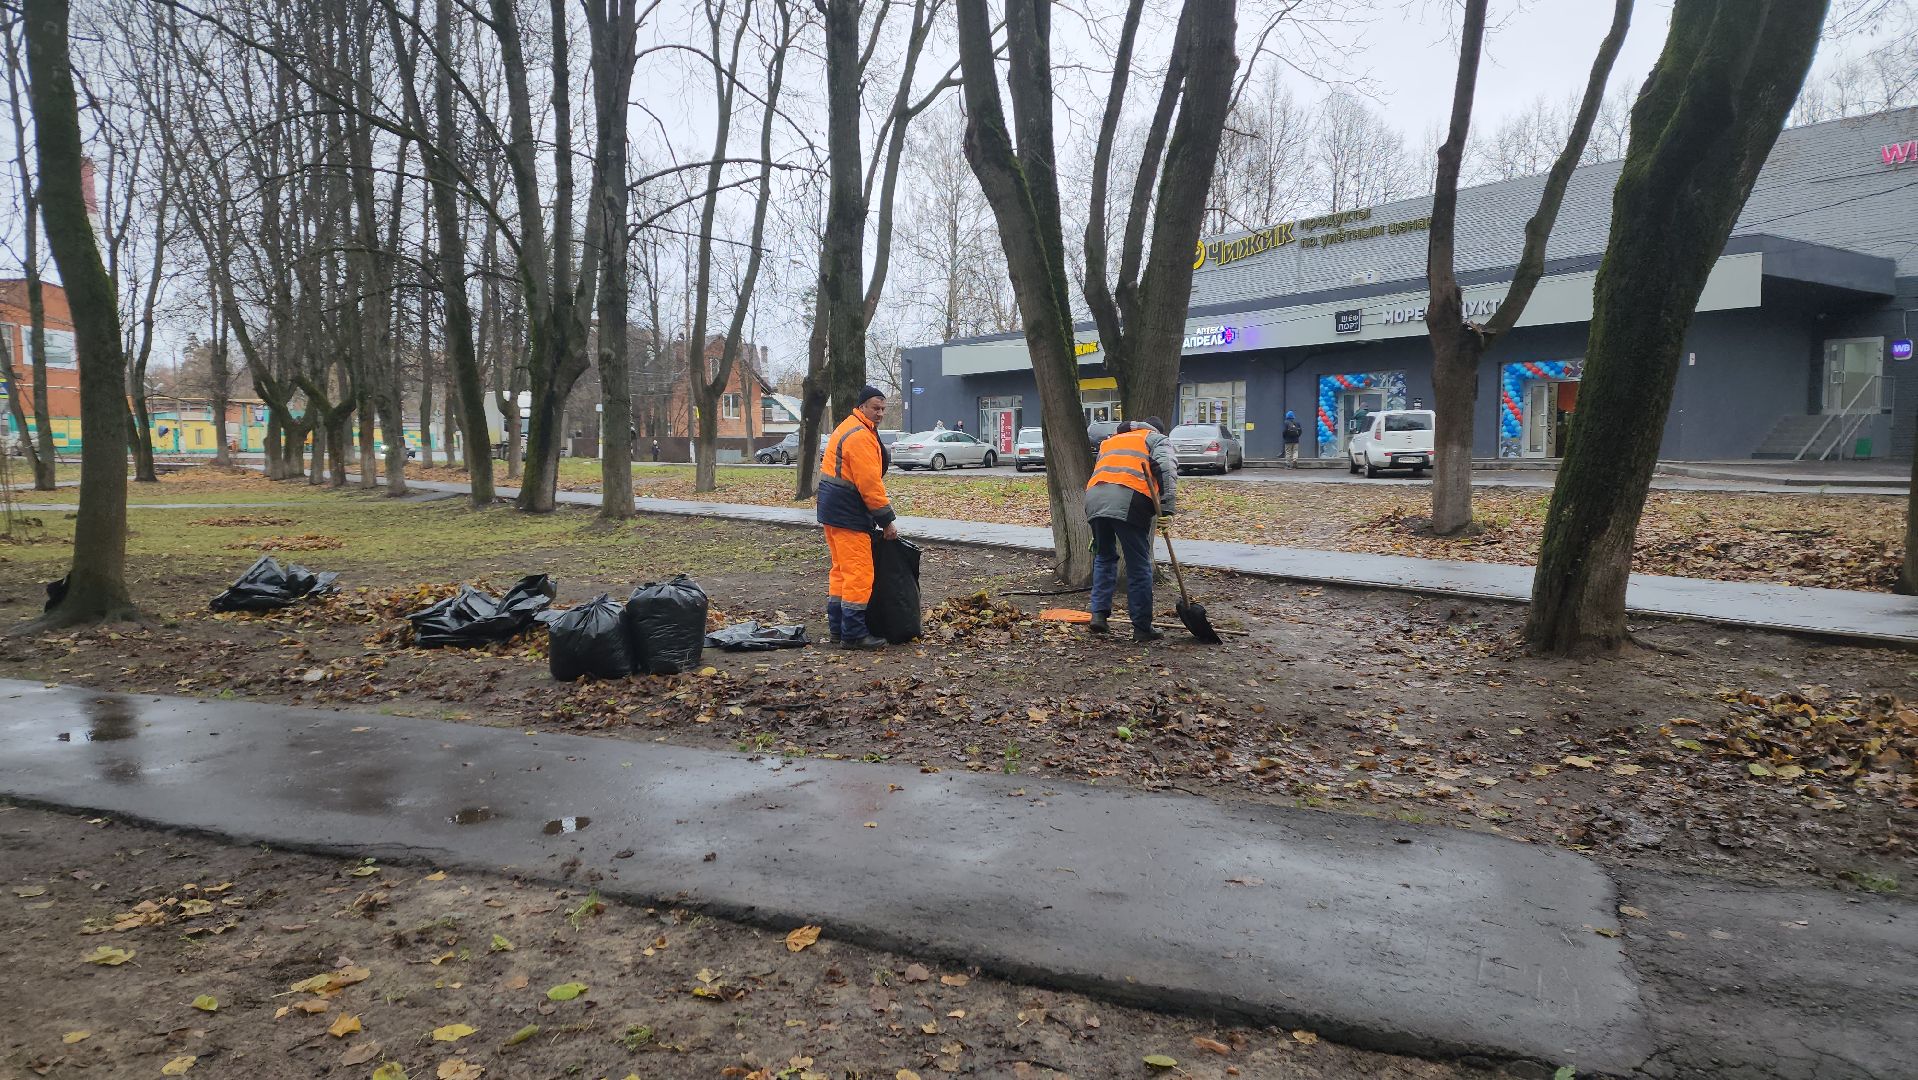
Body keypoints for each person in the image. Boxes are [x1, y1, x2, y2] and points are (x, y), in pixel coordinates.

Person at [816, 386, 898, 650]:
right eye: (875, 408)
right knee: (859, 574)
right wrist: (887, 520)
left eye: (883, 409)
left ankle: (839, 631)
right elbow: (869, 484)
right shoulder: (860, 436)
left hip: (834, 510)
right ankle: (853, 634)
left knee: (841, 571)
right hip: (847, 511)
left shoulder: (850, 427)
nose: (880, 413)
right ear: (862, 406)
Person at [1084, 416, 1177, 642]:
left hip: (1094, 498)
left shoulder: (1112, 440)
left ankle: (1098, 616)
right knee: (1138, 564)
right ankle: (1142, 627)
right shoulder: (1156, 440)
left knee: (1105, 557)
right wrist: (1167, 510)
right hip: (1128, 499)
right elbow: (1167, 471)